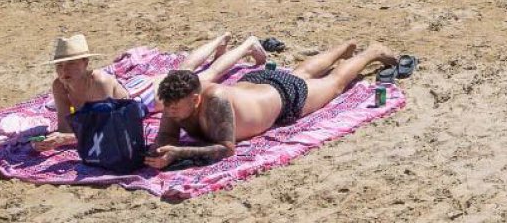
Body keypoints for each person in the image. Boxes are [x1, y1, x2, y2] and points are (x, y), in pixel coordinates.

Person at [147, 40, 398, 168]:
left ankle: (372, 52)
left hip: (283, 96)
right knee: (301, 72)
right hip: (255, 85)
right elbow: (167, 135)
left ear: (195, 99)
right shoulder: (175, 100)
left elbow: (226, 148)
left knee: (334, 83)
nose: (170, 112)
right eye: (169, 107)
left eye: (176, 108)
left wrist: (181, 152)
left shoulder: (215, 101)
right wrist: (158, 152)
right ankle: (343, 48)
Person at [30, 33, 266, 155]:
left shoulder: (99, 81)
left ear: (85, 63)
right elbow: (64, 126)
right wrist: (52, 141)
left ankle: (247, 45)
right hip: (133, 86)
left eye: (70, 64)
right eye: (60, 66)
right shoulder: (59, 86)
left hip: (143, 97)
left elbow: (110, 129)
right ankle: (220, 40)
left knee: (203, 76)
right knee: (182, 69)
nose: (64, 71)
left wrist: (67, 139)